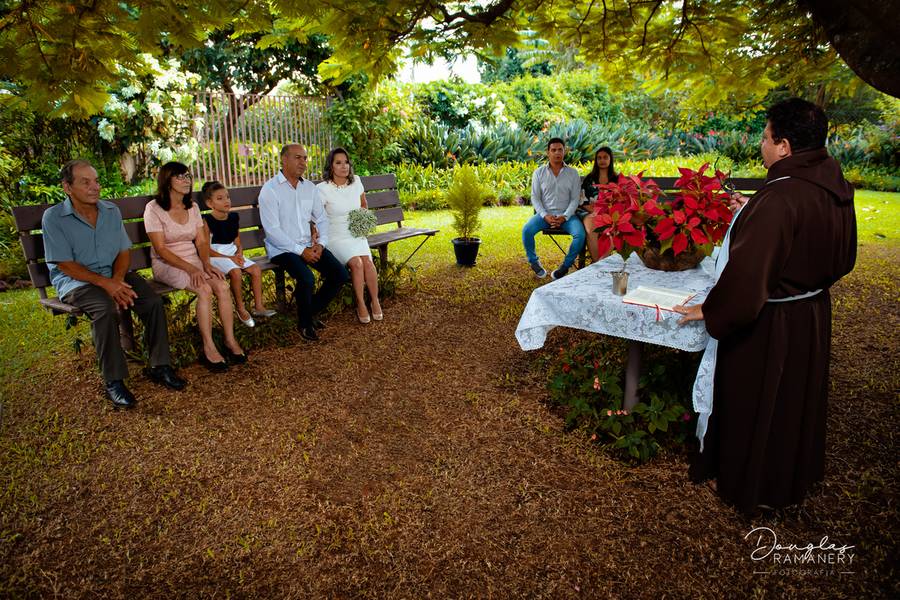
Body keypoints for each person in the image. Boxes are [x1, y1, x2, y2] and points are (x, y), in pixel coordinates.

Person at [674, 98, 857, 514]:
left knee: (761, 399)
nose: (762, 144)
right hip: (811, 313)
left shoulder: (780, 198)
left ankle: (755, 482)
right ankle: (792, 473)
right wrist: (753, 212)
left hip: (772, 322)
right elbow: (841, 255)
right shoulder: (833, 184)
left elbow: (747, 281)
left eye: (766, 136)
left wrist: (710, 309)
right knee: (795, 399)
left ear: (785, 147)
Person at [41, 160, 186, 408]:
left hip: (113, 274)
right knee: (105, 309)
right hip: (77, 281)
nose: (94, 187)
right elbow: (64, 264)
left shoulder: (110, 211)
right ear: (67, 187)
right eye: (85, 182)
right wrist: (107, 285)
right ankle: (114, 381)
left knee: (151, 302)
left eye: (96, 181)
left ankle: (160, 366)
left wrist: (117, 281)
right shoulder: (54, 217)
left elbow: (123, 252)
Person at [144, 162, 247, 372]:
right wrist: (193, 270)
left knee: (222, 286)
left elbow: (201, 242)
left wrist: (206, 265)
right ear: (167, 180)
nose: (186, 180)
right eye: (180, 176)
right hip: (167, 263)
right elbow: (161, 249)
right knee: (204, 289)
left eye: (188, 176)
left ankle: (229, 340)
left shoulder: (193, 207)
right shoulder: (153, 209)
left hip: (194, 260)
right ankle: (208, 347)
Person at [259, 144, 349, 340]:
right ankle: (305, 323)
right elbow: (272, 231)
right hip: (283, 249)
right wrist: (301, 251)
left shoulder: (309, 188)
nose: (303, 162)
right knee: (307, 278)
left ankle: (307, 312)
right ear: (284, 160)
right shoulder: (270, 190)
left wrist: (321, 244)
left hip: (309, 245)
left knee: (340, 274)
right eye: (297, 157)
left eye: (305, 158)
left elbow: (322, 219)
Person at [316, 148, 383, 324]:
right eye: (338, 163)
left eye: (346, 162)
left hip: (355, 233)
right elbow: (318, 217)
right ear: (330, 166)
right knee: (357, 263)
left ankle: (375, 300)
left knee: (368, 262)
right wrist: (315, 236)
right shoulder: (322, 189)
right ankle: (360, 303)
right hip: (336, 235)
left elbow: (363, 204)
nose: (344, 166)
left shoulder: (356, 182)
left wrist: (362, 222)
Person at [201, 181, 277, 328]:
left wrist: (240, 254)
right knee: (236, 272)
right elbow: (205, 249)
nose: (226, 201)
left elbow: (237, 241)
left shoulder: (233, 217)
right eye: (220, 198)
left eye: (227, 197)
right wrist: (231, 259)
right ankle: (240, 308)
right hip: (215, 255)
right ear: (210, 203)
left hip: (231, 252)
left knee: (255, 269)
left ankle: (259, 307)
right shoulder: (207, 221)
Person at [522, 137, 585, 280]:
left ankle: (565, 267)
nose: (557, 153)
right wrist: (545, 215)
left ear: (564, 151)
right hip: (545, 215)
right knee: (527, 230)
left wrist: (565, 217)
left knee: (580, 235)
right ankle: (534, 262)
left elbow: (575, 199)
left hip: (567, 216)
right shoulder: (539, 173)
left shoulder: (573, 173)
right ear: (548, 152)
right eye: (553, 150)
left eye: (560, 150)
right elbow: (535, 198)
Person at [578, 147, 618, 262]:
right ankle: (598, 263)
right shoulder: (590, 179)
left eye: (605, 157)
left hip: (610, 213)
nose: (602, 160)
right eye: (599, 158)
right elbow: (583, 201)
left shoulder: (616, 179)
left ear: (610, 159)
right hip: (590, 211)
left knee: (612, 229)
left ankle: (600, 262)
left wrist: (606, 212)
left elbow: (620, 201)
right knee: (591, 228)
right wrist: (595, 211)